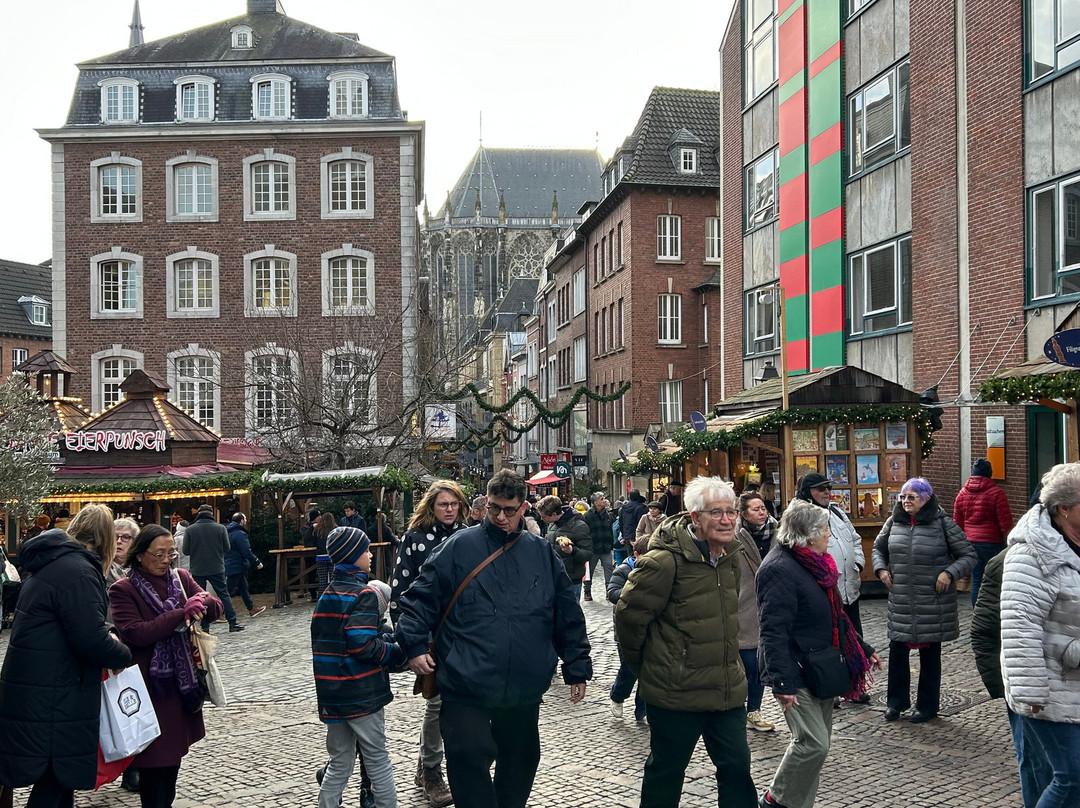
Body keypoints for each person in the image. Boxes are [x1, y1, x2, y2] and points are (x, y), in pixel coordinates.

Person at [397, 469, 592, 808]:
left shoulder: (541, 553)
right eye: (494, 508)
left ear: (524, 508)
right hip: (466, 679)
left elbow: (566, 613)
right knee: (467, 754)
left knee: (521, 761)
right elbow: (417, 600)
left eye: (509, 510)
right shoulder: (458, 547)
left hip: (522, 683)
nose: (501, 517)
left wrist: (576, 665)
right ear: (486, 504)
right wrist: (413, 646)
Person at [614, 475, 757, 808]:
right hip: (676, 693)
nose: (727, 520)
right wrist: (652, 668)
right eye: (716, 512)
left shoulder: (731, 557)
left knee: (737, 768)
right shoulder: (664, 562)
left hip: (726, 690)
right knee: (666, 772)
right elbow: (629, 619)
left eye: (731, 512)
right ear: (695, 517)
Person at [756, 501, 880, 808]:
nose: (829, 534)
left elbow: (836, 615)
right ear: (808, 535)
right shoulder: (778, 569)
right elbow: (773, 631)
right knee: (813, 744)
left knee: (818, 747)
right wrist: (782, 683)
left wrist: (863, 649)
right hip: (796, 670)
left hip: (821, 667)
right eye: (825, 529)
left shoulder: (818, 565)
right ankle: (774, 800)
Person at [0, 521, 132, 808]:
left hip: (41, 685)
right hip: (56, 692)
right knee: (55, 777)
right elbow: (90, 638)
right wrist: (123, 653)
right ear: (105, 539)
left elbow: (74, 622)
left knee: (58, 779)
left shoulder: (56, 564)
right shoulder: (78, 571)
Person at [109, 524, 224, 808]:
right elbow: (136, 632)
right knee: (152, 764)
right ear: (140, 555)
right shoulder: (123, 589)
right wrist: (180, 614)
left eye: (170, 554)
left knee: (172, 760)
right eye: (158, 554)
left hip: (180, 685)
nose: (165, 560)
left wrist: (203, 601)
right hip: (148, 687)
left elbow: (216, 608)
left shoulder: (181, 578)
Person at [1000, 463, 1080, 808]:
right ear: (1065, 508)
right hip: (1051, 686)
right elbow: (1019, 626)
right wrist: (1031, 692)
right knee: (1071, 776)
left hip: (1075, 684)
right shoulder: (1032, 553)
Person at [389, 480, 469, 808]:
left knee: (465, 702)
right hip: (432, 635)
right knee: (436, 702)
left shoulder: (470, 536)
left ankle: (449, 766)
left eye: (454, 504)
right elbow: (401, 593)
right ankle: (431, 770)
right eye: (443, 504)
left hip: (466, 634)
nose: (449, 509)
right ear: (431, 507)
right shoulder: (415, 539)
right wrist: (412, 644)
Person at [314, 526, 405, 808]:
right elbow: (362, 644)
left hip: (332, 694)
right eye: (365, 550)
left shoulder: (326, 595)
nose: (370, 554)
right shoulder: (363, 595)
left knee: (340, 760)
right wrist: (395, 652)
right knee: (377, 759)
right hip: (361, 692)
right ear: (353, 555)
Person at [872, 477, 976, 722]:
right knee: (897, 652)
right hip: (901, 600)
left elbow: (968, 555)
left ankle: (927, 706)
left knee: (930, 656)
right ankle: (895, 703)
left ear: (926, 499)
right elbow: (878, 549)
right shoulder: (893, 522)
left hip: (932, 602)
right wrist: (881, 569)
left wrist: (948, 573)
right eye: (902, 497)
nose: (905, 501)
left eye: (912, 497)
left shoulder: (943, 523)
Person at [971, 546, 1051, 807]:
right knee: (1037, 763)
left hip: (1067, 685)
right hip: (1026, 684)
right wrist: (1004, 687)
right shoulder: (1007, 561)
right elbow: (984, 629)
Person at [794, 472, 868, 701]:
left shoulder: (837, 512)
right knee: (830, 642)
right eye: (820, 488)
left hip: (849, 589)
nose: (826, 492)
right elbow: (799, 550)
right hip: (823, 591)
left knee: (853, 638)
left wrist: (857, 563)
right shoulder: (800, 515)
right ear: (807, 492)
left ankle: (855, 687)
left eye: (828, 488)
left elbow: (855, 539)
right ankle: (832, 688)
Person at [734, 491, 777, 732]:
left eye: (763, 508)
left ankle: (753, 711)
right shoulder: (734, 537)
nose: (762, 512)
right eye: (756, 509)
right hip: (744, 608)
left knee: (759, 666)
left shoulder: (777, 534)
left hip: (770, 606)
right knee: (747, 664)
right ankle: (738, 710)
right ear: (743, 514)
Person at [953, 458, 1013, 606]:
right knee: (997, 579)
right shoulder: (997, 494)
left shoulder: (962, 494)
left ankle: (977, 612)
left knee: (977, 581)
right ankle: (995, 611)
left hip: (970, 543)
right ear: (989, 474)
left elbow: (957, 523)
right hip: (992, 543)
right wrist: (1009, 541)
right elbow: (1005, 522)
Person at [608, 534, 650, 722]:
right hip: (626, 630)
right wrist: (635, 593)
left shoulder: (658, 572)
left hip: (648, 627)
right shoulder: (623, 570)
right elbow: (612, 593)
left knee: (647, 671)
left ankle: (642, 710)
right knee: (630, 668)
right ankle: (617, 695)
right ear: (636, 554)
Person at [182, 504, 243, 632]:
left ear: (198, 514)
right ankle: (232, 622)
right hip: (217, 567)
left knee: (201, 597)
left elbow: (186, 551)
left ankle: (205, 627)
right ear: (211, 514)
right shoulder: (221, 528)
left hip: (197, 568)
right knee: (224, 594)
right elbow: (227, 548)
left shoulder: (190, 530)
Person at [538, 495, 593, 601]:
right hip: (553, 578)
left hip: (571, 579)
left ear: (554, 514)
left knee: (571, 610)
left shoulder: (579, 526)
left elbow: (588, 554)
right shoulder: (552, 524)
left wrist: (572, 551)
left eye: (544, 516)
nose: (541, 519)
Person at [224, 513, 265, 618]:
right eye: (245, 519)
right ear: (242, 520)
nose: (246, 520)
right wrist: (256, 561)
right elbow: (246, 551)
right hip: (237, 564)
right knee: (228, 590)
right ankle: (219, 612)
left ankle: (251, 608)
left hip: (230, 563)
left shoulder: (226, 532)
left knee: (243, 587)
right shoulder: (240, 534)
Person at [583, 491, 616, 601]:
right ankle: (587, 591)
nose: (604, 500)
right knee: (589, 571)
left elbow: (612, 526)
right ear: (596, 502)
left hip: (606, 547)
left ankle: (609, 591)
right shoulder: (587, 515)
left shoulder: (608, 514)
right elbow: (584, 532)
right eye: (602, 499)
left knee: (609, 569)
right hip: (593, 548)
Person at [313, 512, 339, 598]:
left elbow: (313, 542)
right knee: (333, 579)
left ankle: (321, 598)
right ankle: (333, 597)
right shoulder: (336, 529)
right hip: (332, 555)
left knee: (322, 580)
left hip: (320, 557)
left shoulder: (317, 529)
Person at [619, 490, 648, 562]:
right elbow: (643, 523)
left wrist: (624, 535)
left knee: (630, 556)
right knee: (641, 556)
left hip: (627, 535)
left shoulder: (623, 508)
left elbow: (621, 523)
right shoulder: (642, 508)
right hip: (639, 536)